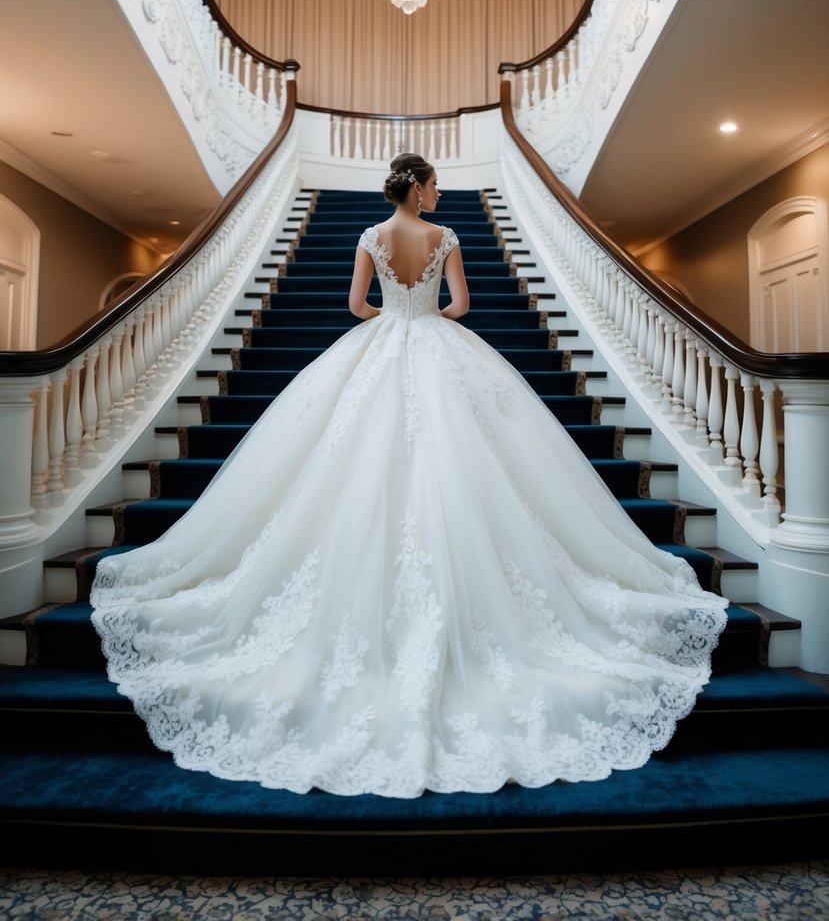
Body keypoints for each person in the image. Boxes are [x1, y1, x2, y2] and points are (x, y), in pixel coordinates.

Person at [90, 153, 728, 798]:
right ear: (418, 188)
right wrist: (426, 323)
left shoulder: (370, 236)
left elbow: (354, 304)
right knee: (471, 459)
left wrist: (390, 323)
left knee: (345, 457)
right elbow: (462, 304)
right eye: (435, 183)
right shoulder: (445, 237)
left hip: (380, 345)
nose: (440, 192)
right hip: (436, 345)